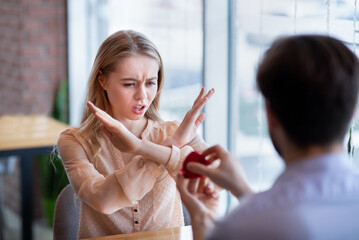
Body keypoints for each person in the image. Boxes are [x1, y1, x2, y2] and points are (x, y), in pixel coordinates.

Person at [176, 35, 359, 240]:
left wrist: (202, 228)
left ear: (270, 115)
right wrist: (244, 191)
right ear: (352, 114)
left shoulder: (241, 227)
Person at [57, 30, 215, 238]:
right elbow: (103, 201)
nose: (142, 95)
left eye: (150, 83)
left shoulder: (177, 130)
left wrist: (157, 145)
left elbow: (217, 183)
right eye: (129, 84)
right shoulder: (75, 141)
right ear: (102, 81)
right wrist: (173, 145)